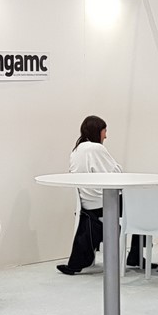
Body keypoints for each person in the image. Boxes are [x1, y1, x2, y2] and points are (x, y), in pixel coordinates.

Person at [57, 115, 121, 275]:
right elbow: (116, 172)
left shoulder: (76, 151)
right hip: (104, 203)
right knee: (140, 209)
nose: (106, 136)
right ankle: (136, 256)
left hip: (87, 204)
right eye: (104, 131)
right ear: (97, 131)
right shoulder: (96, 149)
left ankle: (78, 262)